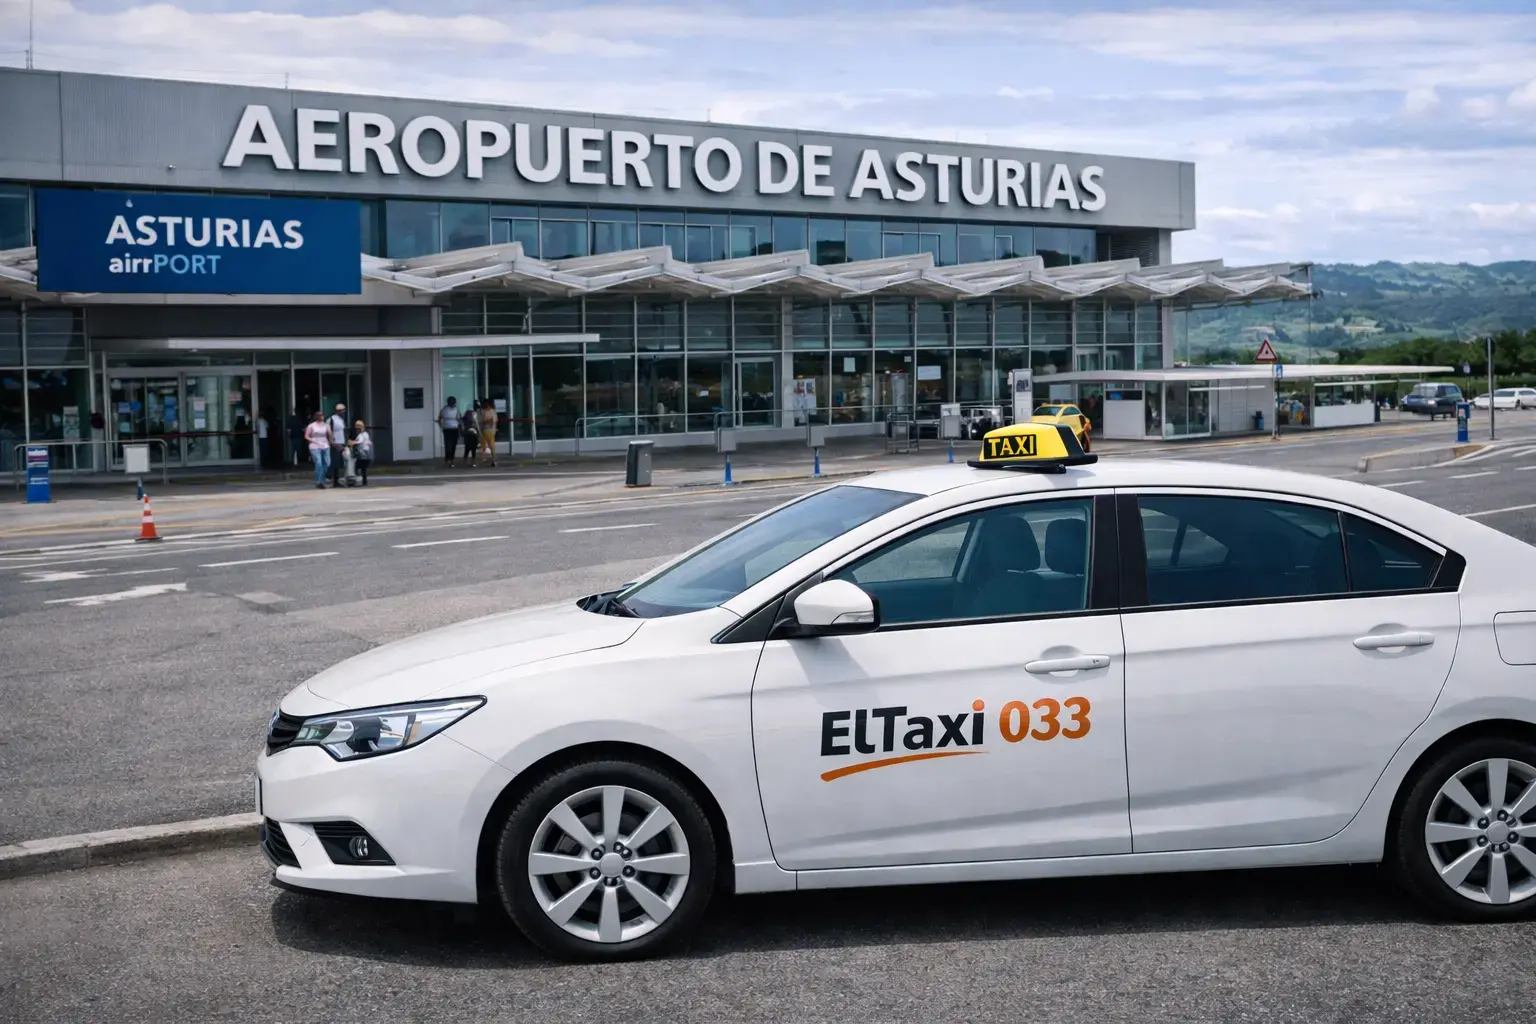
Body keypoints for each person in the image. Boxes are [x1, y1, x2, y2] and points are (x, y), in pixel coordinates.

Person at [303, 411, 331, 488]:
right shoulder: (311, 426)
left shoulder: (326, 425)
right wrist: (312, 440)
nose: (322, 417)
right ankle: (319, 482)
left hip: (325, 445)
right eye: (320, 415)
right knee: (319, 462)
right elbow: (306, 436)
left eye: (322, 415)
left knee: (327, 463)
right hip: (315, 446)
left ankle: (322, 478)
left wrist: (331, 442)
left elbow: (330, 435)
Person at [328, 403, 349, 487]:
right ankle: (334, 480)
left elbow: (343, 431)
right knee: (335, 461)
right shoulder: (332, 419)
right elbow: (329, 431)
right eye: (342, 411)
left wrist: (346, 442)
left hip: (341, 442)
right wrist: (331, 442)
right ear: (338, 411)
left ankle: (337, 480)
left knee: (340, 462)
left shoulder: (341, 420)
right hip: (335, 443)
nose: (343, 413)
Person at [437, 396, 460, 467]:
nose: (453, 404)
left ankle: (452, 459)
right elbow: (440, 418)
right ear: (449, 403)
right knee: (448, 445)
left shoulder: (456, 409)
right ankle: (448, 458)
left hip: (455, 429)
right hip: (447, 429)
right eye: (451, 403)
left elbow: (459, 418)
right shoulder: (444, 409)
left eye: (453, 403)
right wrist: (441, 426)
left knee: (454, 445)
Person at [350, 419, 373, 486]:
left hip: (362, 453)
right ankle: (364, 481)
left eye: (357, 426)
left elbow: (360, 441)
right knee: (363, 468)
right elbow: (368, 441)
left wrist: (353, 442)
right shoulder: (365, 433)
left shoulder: (362, 434)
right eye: (356, 425)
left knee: (355, 467)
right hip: (365, 452)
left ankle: (353, 480)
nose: (356, 427)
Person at [477, 399, 499, 467]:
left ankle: (490, 459)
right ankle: (491, 459)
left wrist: (490, 422)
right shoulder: (489, 411)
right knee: (489, 445)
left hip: (488, 429)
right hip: (488, 429)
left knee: (489, 445)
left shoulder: (487, 411)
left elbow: (485, 421)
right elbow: (494, 420)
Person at [460, 399, 480, 466]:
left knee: (467, 447)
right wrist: (479, 433)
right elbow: (476, 424)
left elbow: (462, 420)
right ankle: (473, 462)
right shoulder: (474, 414)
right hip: (473, 432)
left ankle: (465, 461)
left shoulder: (467, 413)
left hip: (467, 432)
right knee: (473, 448)